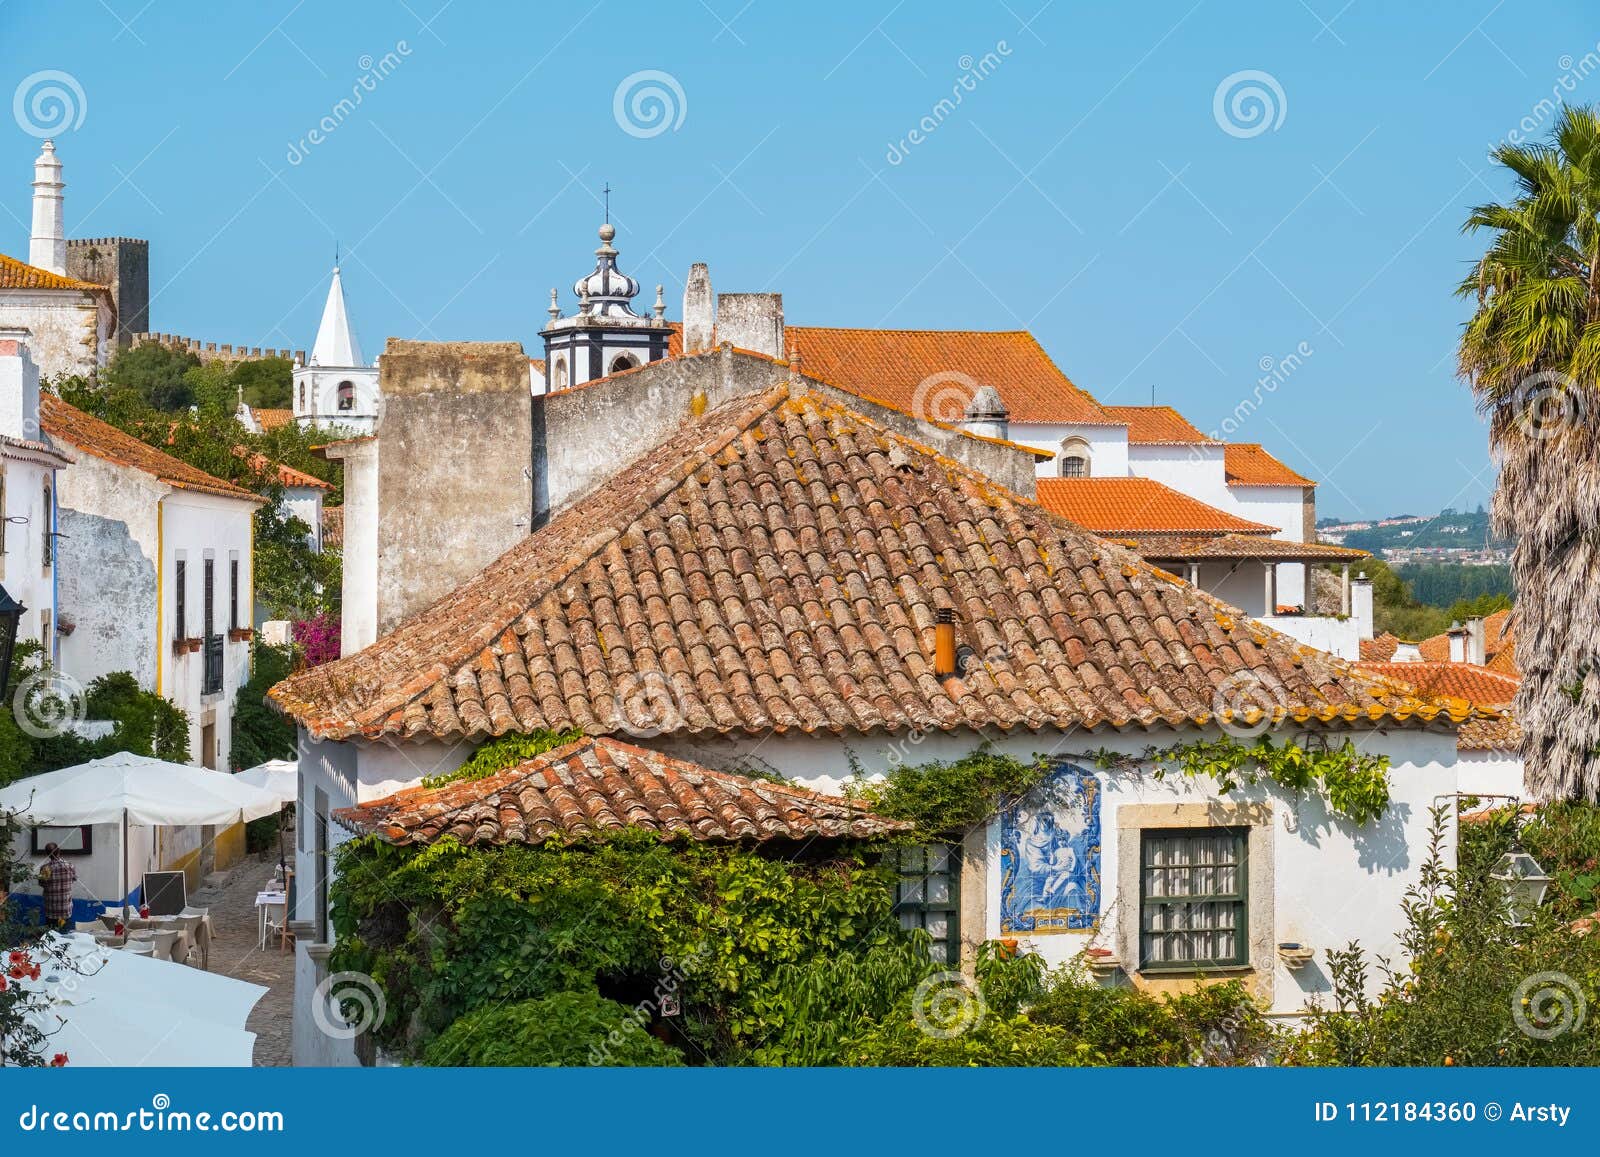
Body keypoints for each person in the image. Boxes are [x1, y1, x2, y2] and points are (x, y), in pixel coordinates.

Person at [37, 842, 77, 928]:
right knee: (65, 936)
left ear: (47, 854)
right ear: (59, 851)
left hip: (51, 910)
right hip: (65, 910)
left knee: (51, 936)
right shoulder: (70, 865)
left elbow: (41, 883)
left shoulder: (44, 868)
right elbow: (73, 879)